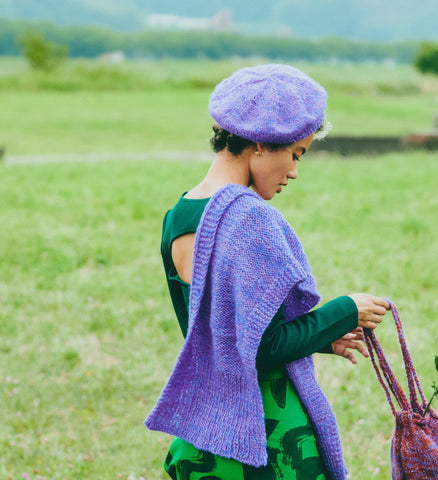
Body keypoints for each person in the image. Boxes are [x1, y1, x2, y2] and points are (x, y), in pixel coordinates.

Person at [145, 64, 390, 480]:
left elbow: (222, 335)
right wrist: (345, 310)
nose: (294, 171)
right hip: (264, 429)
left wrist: (319, 338)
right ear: (260, 143)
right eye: (295, 154)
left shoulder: (179, 215)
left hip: (209, 425)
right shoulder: (249, 220)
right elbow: (261, 348)